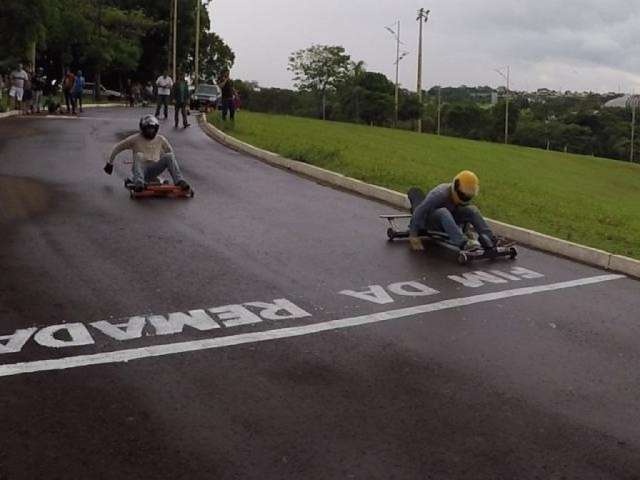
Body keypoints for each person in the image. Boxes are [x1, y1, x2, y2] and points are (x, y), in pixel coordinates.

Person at [409, 170, 502, 252]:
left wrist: (467, 232)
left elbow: (466, 212)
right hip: (430, 221)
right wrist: (414, 236)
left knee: (472, 209)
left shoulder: (462, 193)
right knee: (443, 212)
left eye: (468, 196)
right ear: (456, 187)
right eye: (463, 195)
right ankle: (463, 243)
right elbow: (419, 211)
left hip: (449, 218)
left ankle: (490, 238)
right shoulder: (439, 194)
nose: (465, 198)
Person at [103, 114, 190, 193]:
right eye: (148, 129)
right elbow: (118, 147)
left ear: (156, 129)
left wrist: (172, 164)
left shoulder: (160, 139)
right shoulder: (135, 139)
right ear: (143, 129)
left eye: (152, 129)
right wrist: (109, 163)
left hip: (154, 169)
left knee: (169, 156)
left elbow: (171, 153)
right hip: (140, 169)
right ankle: (139, 182)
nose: (150, 131)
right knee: (139, 155)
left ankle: (179, 181)